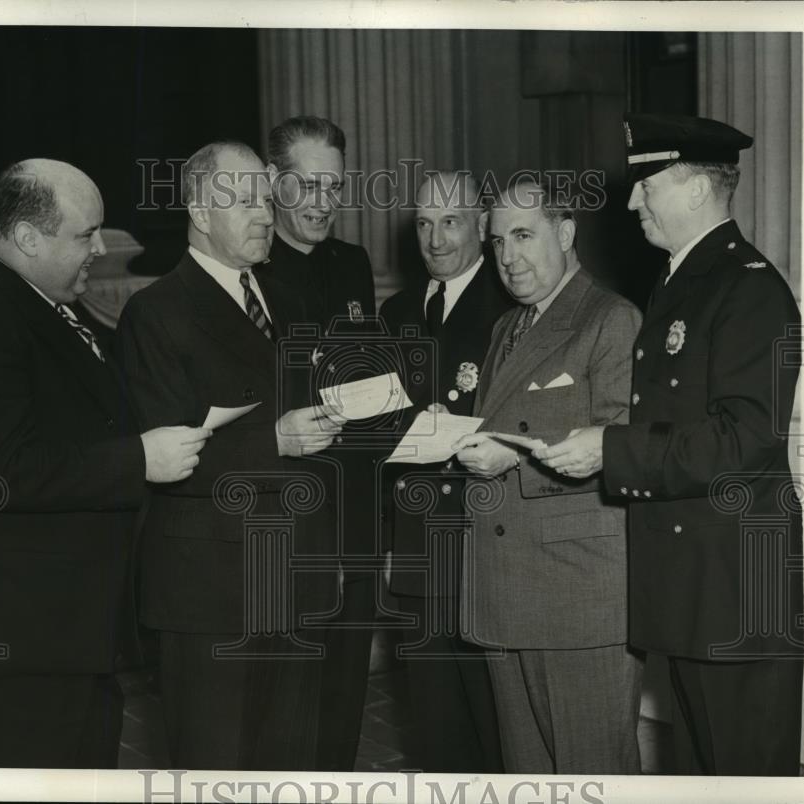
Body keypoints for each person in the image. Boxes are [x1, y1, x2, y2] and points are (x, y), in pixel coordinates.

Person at [0, 158, 208, 768]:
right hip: (17, 641)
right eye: (84, 234)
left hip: (60, 633)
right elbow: (0, 470)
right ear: (27, 238)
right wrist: (138, 459)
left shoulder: (36, 305)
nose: (100, 248)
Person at [534, 113, 804, 776]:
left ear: (693, 190)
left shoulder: (750, 289)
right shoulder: (682, 281)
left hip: (737, 587)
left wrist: (611, 449)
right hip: (696, 587)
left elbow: (745, 440)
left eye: (645, 185)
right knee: (705, 772)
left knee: (743, 773)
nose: (631, 202)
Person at [116, 140, 344, 770]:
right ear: (197, 208)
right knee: (217, 770)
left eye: (266, 199)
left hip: (299, 578)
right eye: (242, 200)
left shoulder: (289, 301)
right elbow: (163, 458)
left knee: (292, 766)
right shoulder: (154, 312)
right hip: (212, 593)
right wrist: (277, 439)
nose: (265, 214)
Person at [452, 177, 644, 774]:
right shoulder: (506, 328)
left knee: (593, 772)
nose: (507, 256)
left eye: (524, 235)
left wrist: (519, 457)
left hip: (577, 594)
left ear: (565, 233)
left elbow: (626, 450)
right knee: (529, 776)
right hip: (505, 588)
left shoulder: (611, 319)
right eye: (497, 241)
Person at [379, 171, 511, 772]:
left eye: (451, 222)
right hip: (414, 544)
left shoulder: (510, 306)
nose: (434, 240)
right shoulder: (398, 310)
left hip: (481, 538)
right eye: (424, 224)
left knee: (492, 718)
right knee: (432, 718)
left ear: (482, 227)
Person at [260, 115, 380, 771]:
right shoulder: (249, 267)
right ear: (275, 184)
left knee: (344, 695)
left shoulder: (351, 263)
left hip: (354, 513)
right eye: (306, 185)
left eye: (333, 186)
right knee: (284, 705)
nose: (322, 202)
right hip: (288, 518)